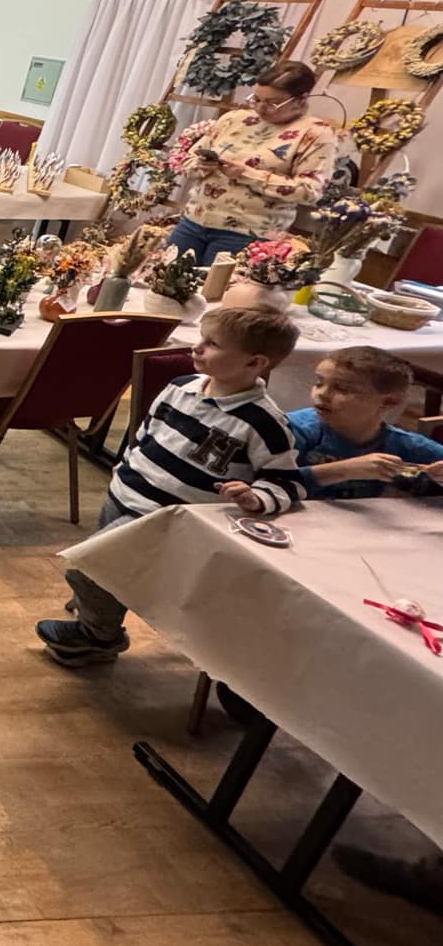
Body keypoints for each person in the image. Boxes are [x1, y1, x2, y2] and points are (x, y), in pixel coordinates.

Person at [35, 306, 304, 667]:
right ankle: (98, 605)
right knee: (107, 570)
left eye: (213, 344)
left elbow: (287, 482)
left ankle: (98, 637)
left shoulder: (265, 423)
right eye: (202, 338)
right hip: (125, 492)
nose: (197, 347)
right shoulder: (180, 387)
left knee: (86, 566)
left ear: (254, 363)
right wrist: (128, 461)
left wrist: (256, 498)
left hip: (163, 518)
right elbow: (148, 430)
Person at [165, 61, 338, 264]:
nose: (261, 108)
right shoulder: (234, 119)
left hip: (248, 234)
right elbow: (187, 160)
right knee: (162, 279)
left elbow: (309, 191)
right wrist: (200, 165)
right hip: (192, 222)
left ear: (301, 100)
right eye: (256, 99)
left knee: (213, 285)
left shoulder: (316, 134)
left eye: (272, 103)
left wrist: (247, 174)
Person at [288, 347, 443, 498]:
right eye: (319, 383)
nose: (322, 394)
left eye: (342, 388)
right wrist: (344, 470)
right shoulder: (292, 429)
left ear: (389, 401)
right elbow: (276, 480)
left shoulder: (406, 446)